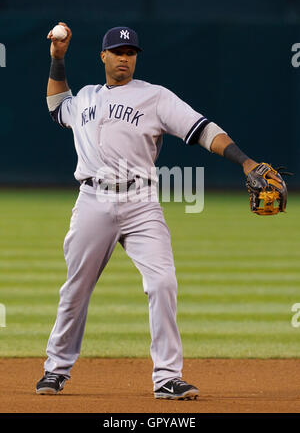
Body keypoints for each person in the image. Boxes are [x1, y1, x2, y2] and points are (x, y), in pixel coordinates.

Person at [35, 23, 285, 399]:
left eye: (131, 52)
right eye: (118, 52)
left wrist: (245, 161)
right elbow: (57, 107)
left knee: (163, 283)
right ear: (103, 56)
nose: (124, 58)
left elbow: (202, 129)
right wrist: (57, 59)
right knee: (76, 289)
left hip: (141, 203)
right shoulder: (84, 97)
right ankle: (56, 369)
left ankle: (168, 377)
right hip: (92, 201)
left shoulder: (154, 97)